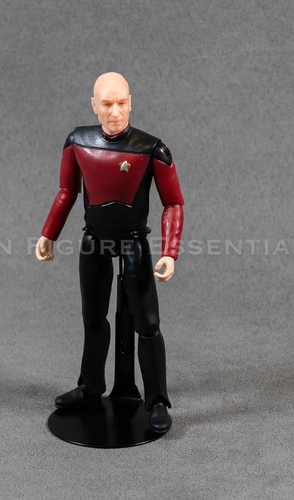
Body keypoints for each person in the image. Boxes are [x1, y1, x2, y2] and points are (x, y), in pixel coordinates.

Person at [36, 72, 184, 433]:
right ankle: (91, 387)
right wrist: (48, 233)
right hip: (94, 241)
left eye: (121, 103)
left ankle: (156, 399)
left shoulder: (151, 148)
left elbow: (173, 203)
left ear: (131, 103)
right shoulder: (77, 141)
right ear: (94, 105)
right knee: (92, 318)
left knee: (147, 324)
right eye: (106, 104)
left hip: (133, 242)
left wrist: (170, 252)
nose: (115, 112)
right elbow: (66, 191)